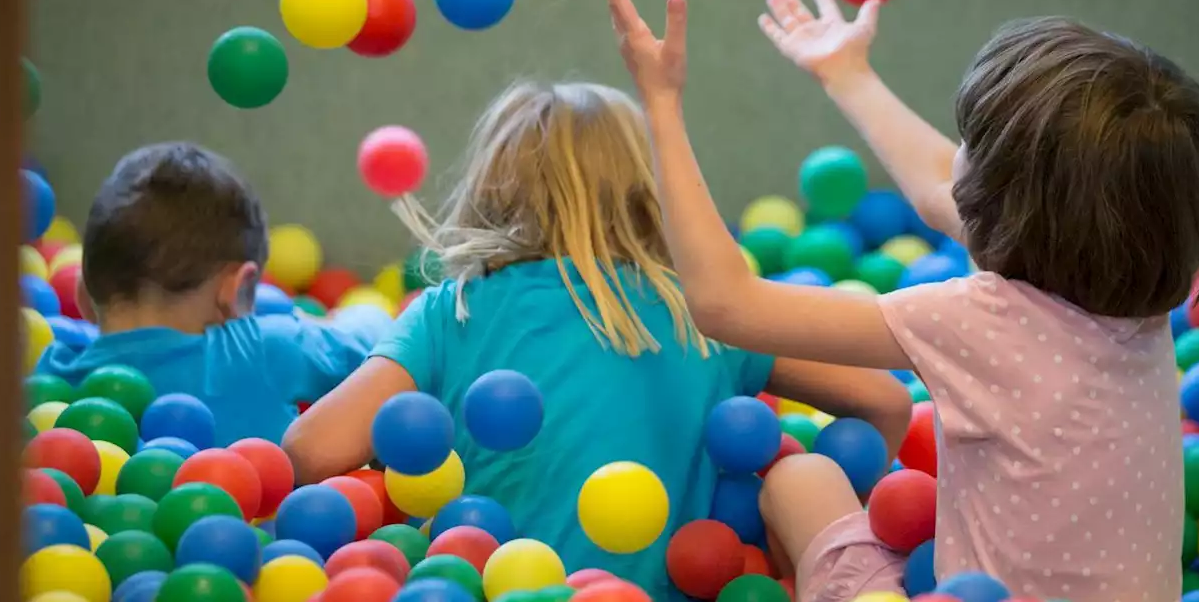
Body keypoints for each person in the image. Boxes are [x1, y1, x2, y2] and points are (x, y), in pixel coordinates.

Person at [599, 0, 1199, 602]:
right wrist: (846, 73)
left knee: (800, 479)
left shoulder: (980, 321)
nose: (955, 160)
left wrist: (661, 103)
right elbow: (939, 189)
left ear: (1003, 200)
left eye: (967, 144)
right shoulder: (1143, 292)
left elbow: (725, 304)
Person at [282, 81, 911, 600]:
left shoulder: (456, 310)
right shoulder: (703, 309)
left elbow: (310, 451)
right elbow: (885, 400)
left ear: (492, 189)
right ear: (651, 189)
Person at [34, 143, 389, 446]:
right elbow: (379, 342)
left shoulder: (53, 374)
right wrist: (334, 319)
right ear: (237, 292)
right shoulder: (269, 348)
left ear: (83, 296)